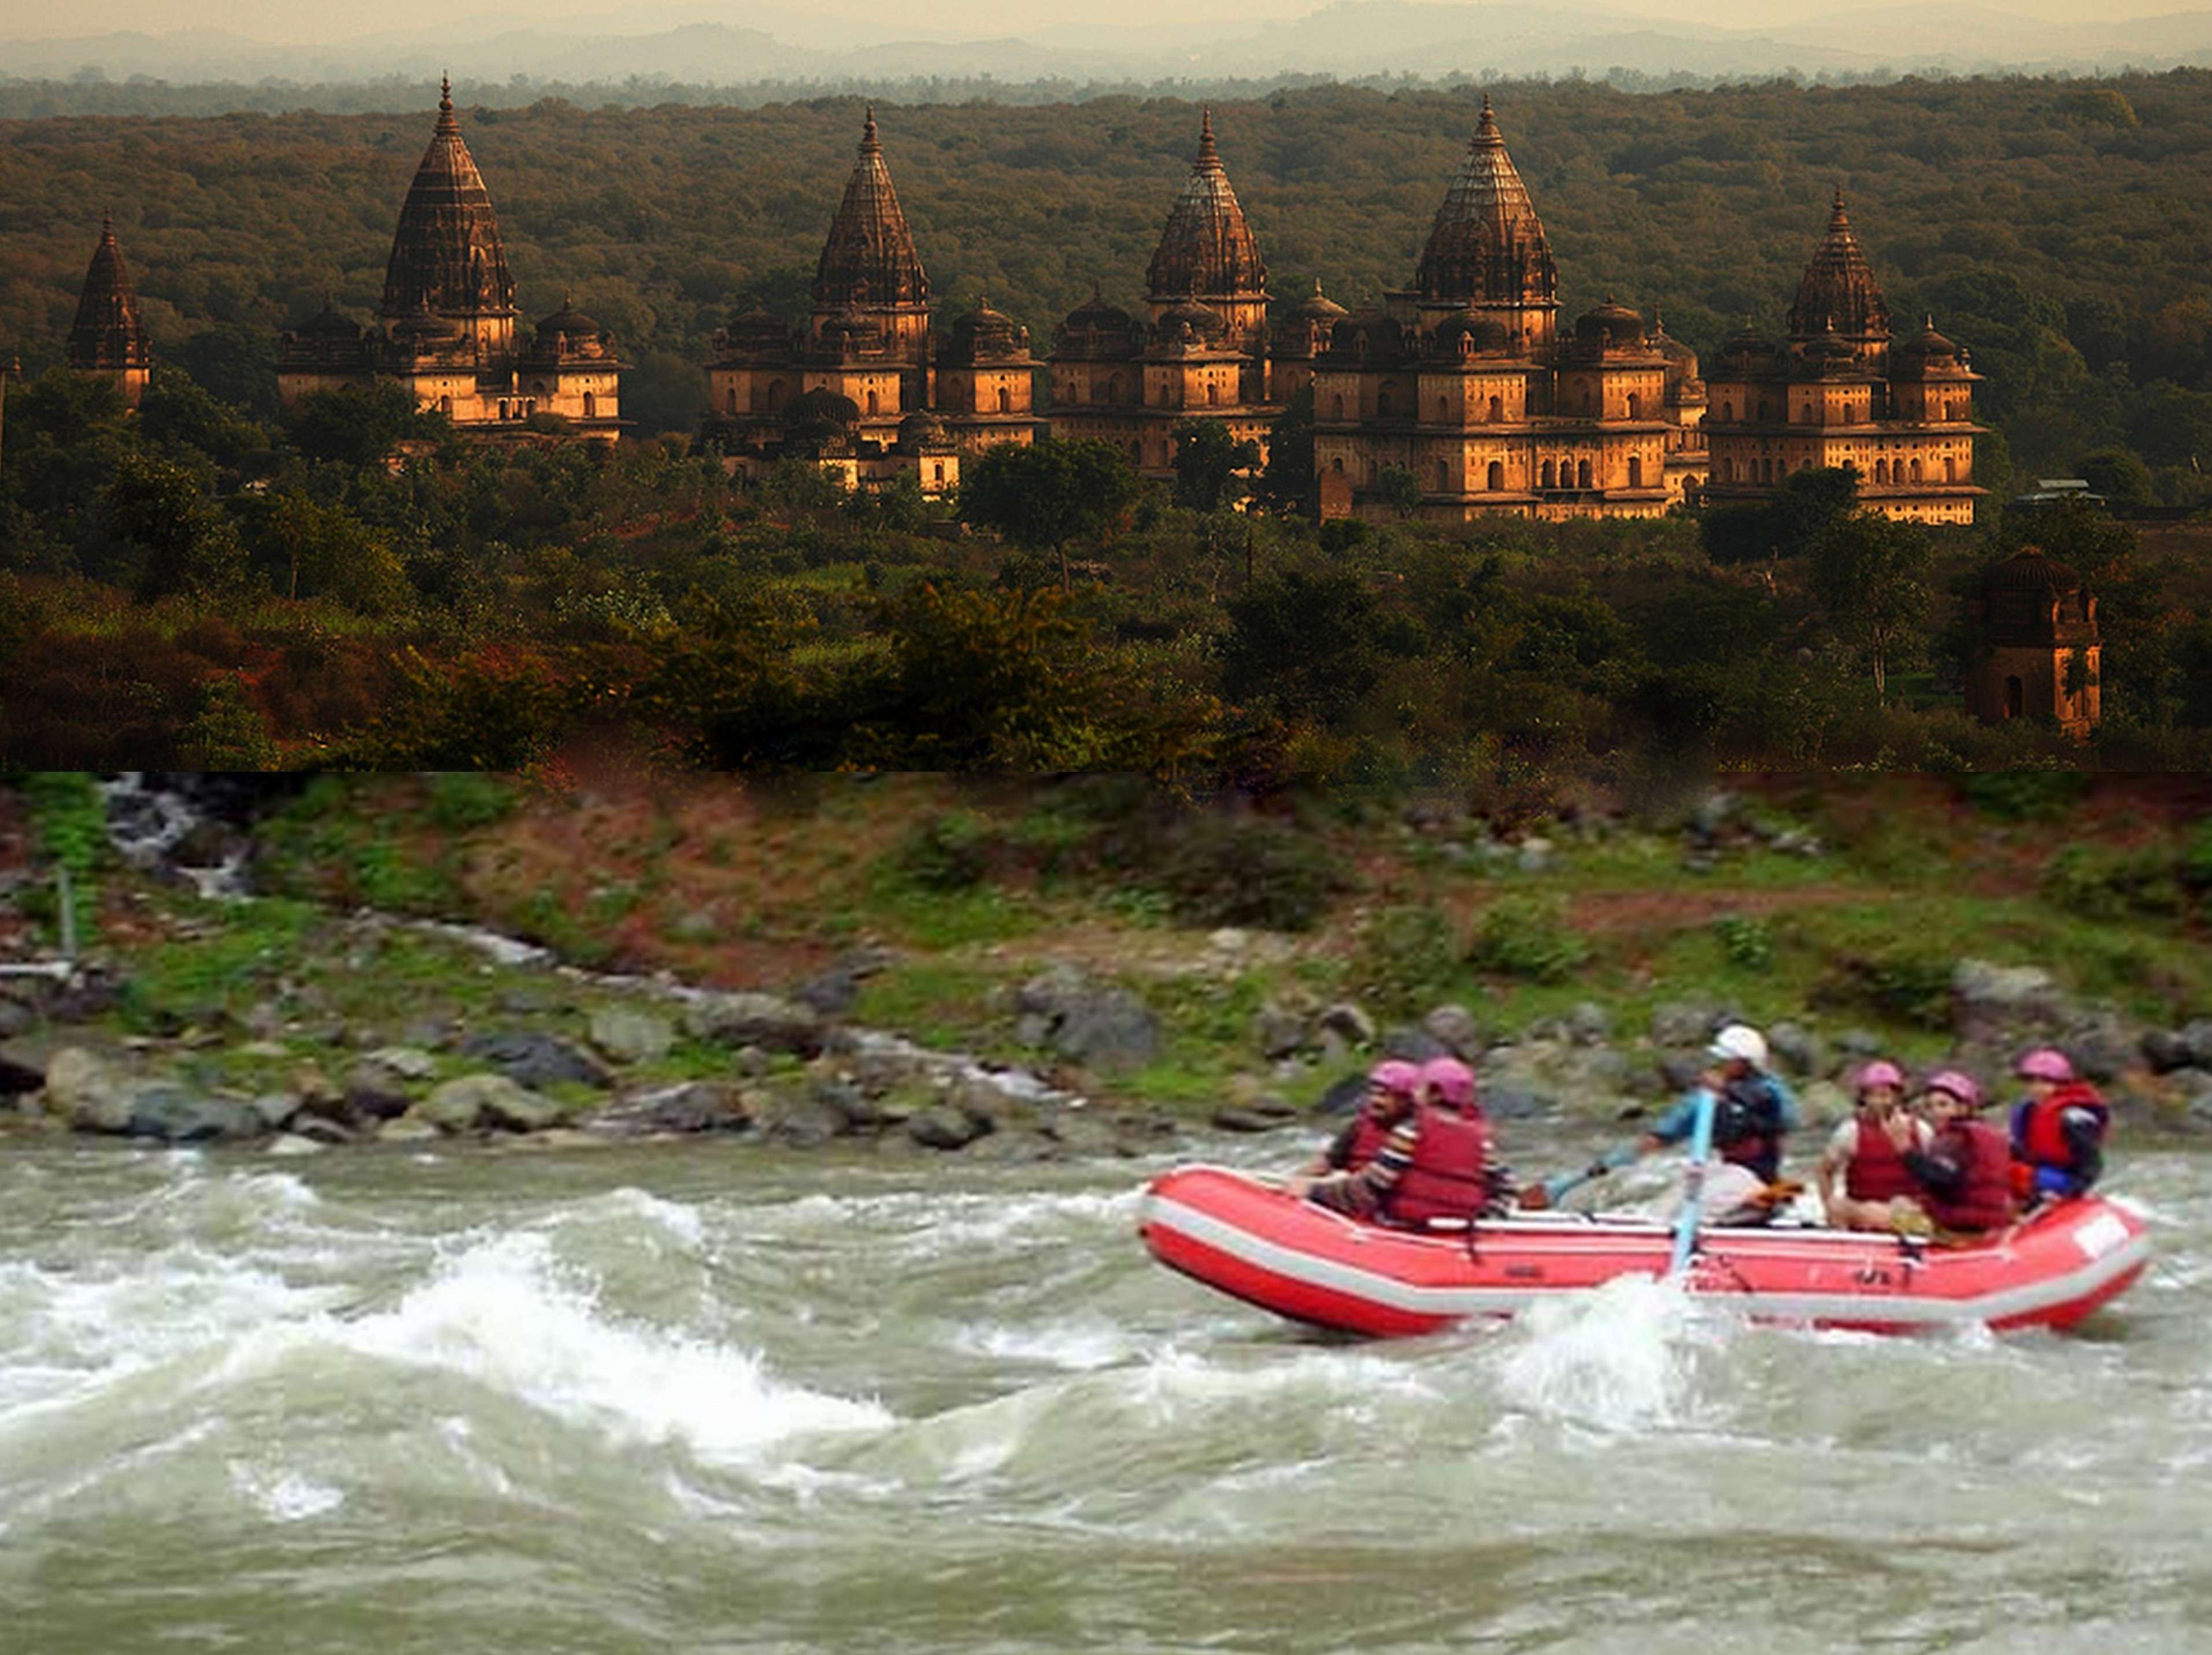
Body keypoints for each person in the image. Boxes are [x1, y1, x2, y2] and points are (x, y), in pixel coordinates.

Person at [1286, 1055, 1507, 1226]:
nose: (1414, 1094)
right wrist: (1485, 1221)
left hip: (1405, 1227)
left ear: (1434, 1093)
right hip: (1455, 1232)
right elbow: (1504, 1190)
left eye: (1419, 1088)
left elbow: (1367, 1190)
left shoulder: (1411, 1132)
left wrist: (1313, 1192)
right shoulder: (1481, 1142)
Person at [1641, 1023, 1799, 1225]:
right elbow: (1684, 1116)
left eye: (1725, 1060)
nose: (1719, 1064)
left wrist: (1726, 1089)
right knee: (1662, 1211)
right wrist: (1659, 1136)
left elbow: (1768, 1103)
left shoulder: (1770, 1091)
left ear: (1744, 1062)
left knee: (1694, 1214)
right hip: (1727, 1168)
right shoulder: (1716, 1096)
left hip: (1755, 1177)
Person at [1816, 1059, 1933, 1232]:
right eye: (1874, 1096)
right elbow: (1825, 1171)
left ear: (1896, 1097)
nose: (1880, 1102)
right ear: (1864, 1098)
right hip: (1862, 1206)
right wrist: (1828, 1203)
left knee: (1896, 1208)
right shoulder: (1849, 1132)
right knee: (1842, 1207)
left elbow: (1934, 1174)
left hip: (1905, 1207)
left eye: (1886, 1095)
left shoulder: (1921, 1130)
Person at [1899, 1069, 2018, 1238]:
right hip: (1990, 1218)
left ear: (1963, 1108)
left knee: (1898, 1210)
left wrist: (1906, 1153)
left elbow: (1943, 1178)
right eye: (1930, 1106)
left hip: (1963, 1221)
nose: (1935, 1112)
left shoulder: (1956, 1137)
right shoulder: (1988, 1133)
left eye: (1943, 1105)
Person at [2008, 1047, 2110, 1205]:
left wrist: (2071, 1194)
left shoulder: (2073, 1118)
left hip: (2067, 1179)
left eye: (2045, 1082)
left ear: (2062, 1084)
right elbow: (2021, 1151)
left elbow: (2091, 1164)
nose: (2037, 1088)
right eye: (2032, 1082)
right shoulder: (2028, 1112)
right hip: (2039, 1173)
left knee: (2021, 1175)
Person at [1299, 1059, 1423, 1177]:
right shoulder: (1361, 1124)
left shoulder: (1416, 1132)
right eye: (1374, 1093)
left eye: (1384, 1095)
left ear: (1406, 1100)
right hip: (1348, 1189)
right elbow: (1328, 1161)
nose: (1375, 1101)